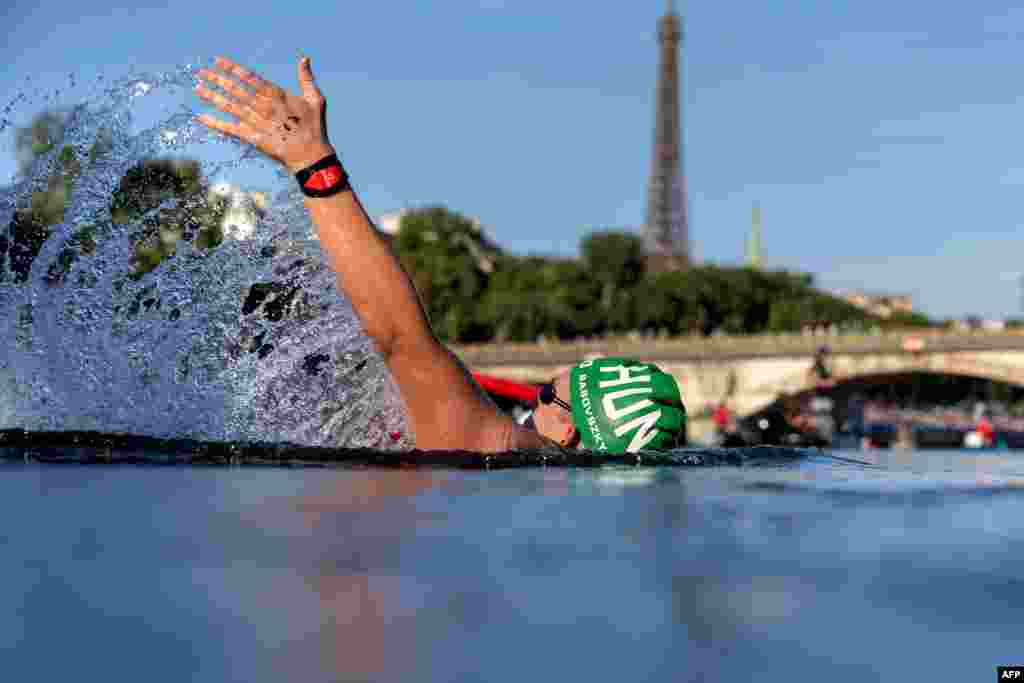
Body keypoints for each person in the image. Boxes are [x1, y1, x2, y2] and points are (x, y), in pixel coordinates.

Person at [194, 55, 686, 453]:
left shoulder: (497, 442)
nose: (531, 405)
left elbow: (399, 337)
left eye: (545, 396)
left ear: (571, 429)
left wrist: (312, 161)